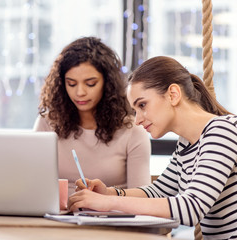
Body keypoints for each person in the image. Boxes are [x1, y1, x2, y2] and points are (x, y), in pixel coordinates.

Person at [68, 56, 237, 239]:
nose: (138, 119)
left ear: (173, 94)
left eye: (142, 105)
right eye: (135, 110)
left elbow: (191, 208)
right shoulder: (186, 144)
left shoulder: (222, 130)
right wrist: (110, 192)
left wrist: (107, 202)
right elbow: (158, 192)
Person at [34, 37, 151, 196]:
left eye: (90, 84)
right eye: (71, 84)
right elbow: (35, 186)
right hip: (58, 217)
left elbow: (142, 198)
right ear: (62, 84)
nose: (80, 92)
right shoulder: (48, 123)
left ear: (107, 83)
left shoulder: (133, 131)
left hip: (112, 218)